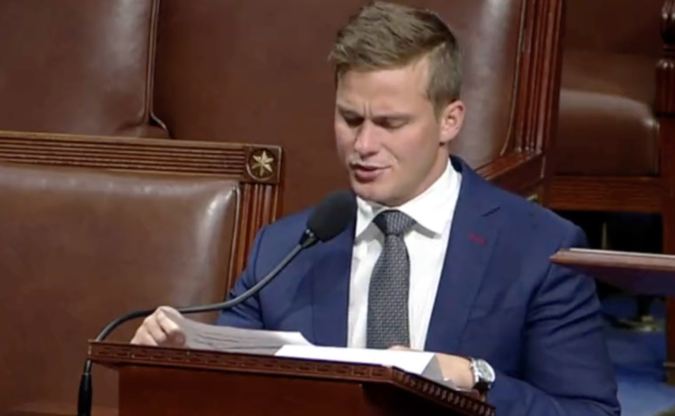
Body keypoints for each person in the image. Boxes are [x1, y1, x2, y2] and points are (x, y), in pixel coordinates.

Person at [131, 2, 620, 415]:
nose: (363, 145)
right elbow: (228, 392)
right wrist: (175, 364)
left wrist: (477, 378)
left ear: (450, 121)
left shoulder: (538, 249)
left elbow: (588, 412)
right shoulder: (283, 251)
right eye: (350, 119)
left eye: (390, 123)